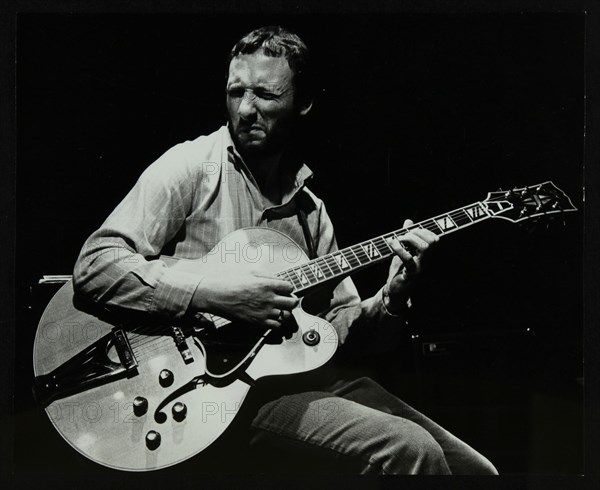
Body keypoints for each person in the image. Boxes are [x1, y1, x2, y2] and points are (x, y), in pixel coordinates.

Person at [73, 25, 498, 475]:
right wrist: (214, 295)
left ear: (304, 102)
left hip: (300, 378)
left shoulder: (311, 211)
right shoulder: (191, 167)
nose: (246, 109)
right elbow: (96, 265)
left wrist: (391, 298)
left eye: (266, 95)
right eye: (236, 92)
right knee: (410, 449)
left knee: (475, 471)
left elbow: (338, 332)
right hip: (219, 393)